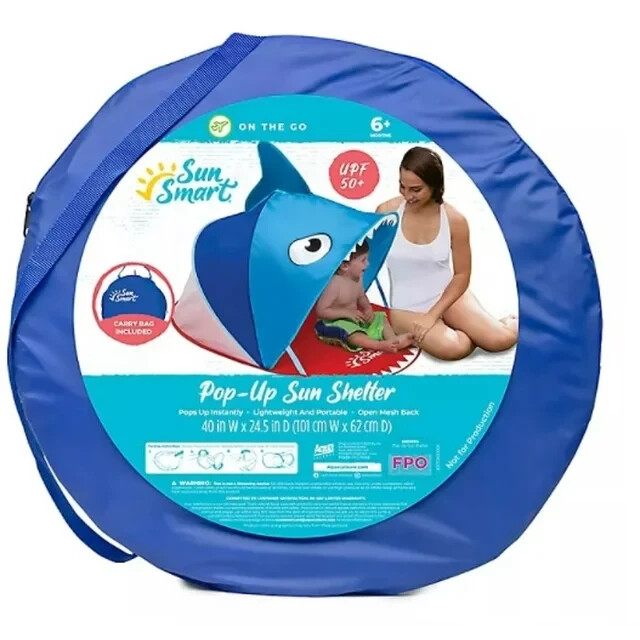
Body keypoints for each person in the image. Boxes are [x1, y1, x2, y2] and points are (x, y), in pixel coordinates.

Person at [376, 146, 518, 360]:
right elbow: (367, 259)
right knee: (457, 348)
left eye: (416, 189)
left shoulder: (454, 220)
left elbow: (462, 275)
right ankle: (464, 330)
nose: (407, 195)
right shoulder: (386, 213)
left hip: (447, 297)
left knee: (500, 340)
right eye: (402, 186)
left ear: (435, 185)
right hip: (406, 308)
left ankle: (511, 321)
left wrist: (433, 315)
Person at [315, 240, 414, 353]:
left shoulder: (358, 278)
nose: (367, 264)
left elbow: (361, 296)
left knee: (380, 318)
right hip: (332, 323)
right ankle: (377, 345)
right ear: (345, 266)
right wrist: (346, 313)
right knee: (351, 332)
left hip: (354, 319)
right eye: (363, 260)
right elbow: (321, 311)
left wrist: (367, 308)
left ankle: (393, 341)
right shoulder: (334, 285)